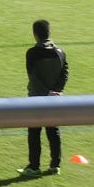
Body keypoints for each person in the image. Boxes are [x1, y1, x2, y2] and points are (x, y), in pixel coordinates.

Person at [22, 19, 69, 175]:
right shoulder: (60, 52)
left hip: (37, 97)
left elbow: (33, 76)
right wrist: (56, 90)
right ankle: (55, 165)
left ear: (35, 34)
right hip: (54, 98)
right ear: (49, 32)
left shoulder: (32, 53)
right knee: (53, 130)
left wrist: (46, 92)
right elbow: (64, 73)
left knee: (34, 132)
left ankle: (34, 166)